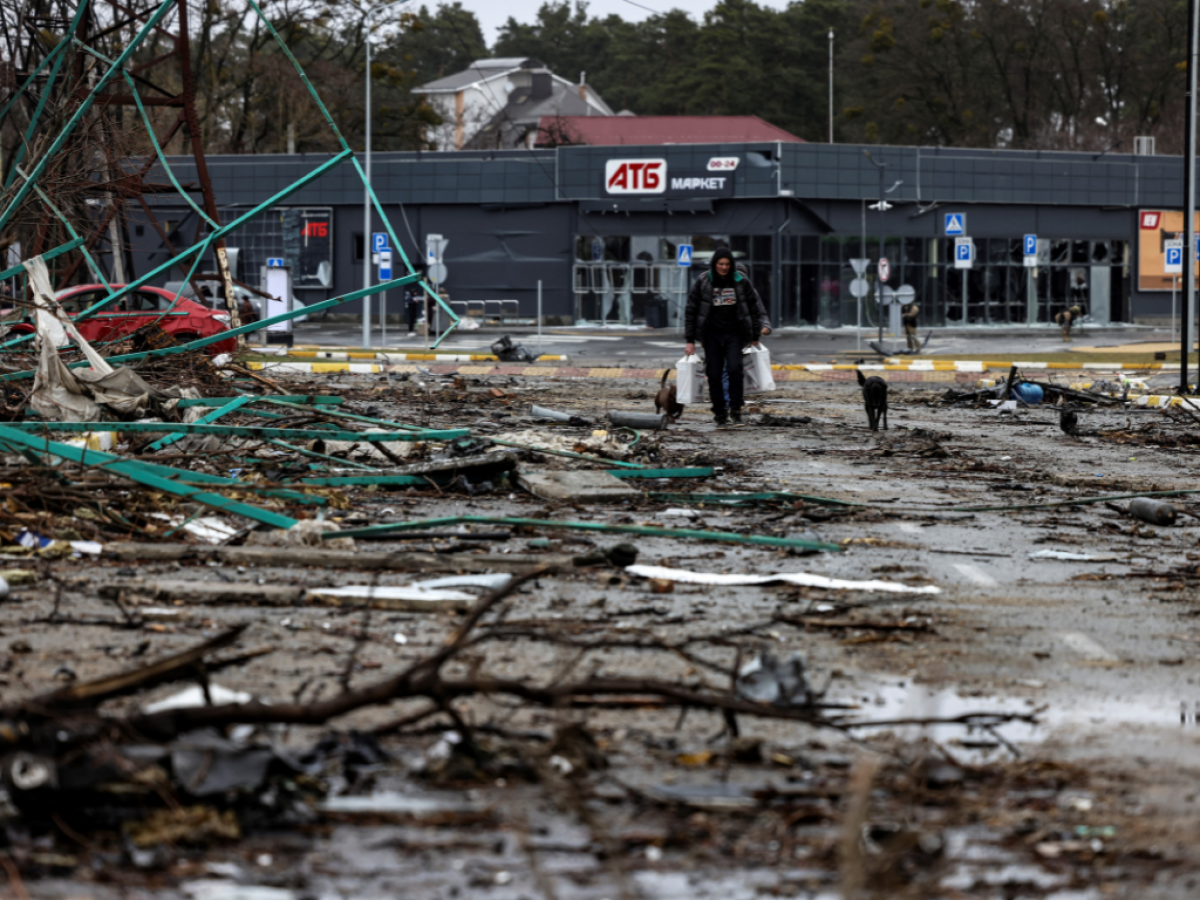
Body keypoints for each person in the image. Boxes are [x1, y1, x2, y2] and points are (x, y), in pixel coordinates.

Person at [684, 249, 768, 428]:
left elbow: (753, 308)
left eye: (727, 264)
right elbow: (691, 310)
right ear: (714, 264)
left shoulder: (741, 281)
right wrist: (690, 340)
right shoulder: (703, 281)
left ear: (731, 265)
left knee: (735, 370)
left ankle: (736, 411)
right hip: (711, 335)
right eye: (720, 264)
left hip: (734, 334)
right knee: (714, 375)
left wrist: (755, 335)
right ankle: (720, 414)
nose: (724, 268)